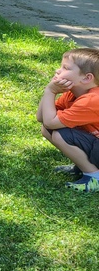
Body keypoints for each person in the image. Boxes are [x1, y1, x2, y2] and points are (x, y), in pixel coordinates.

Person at [37, 48, 99, 193]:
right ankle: (82, 167)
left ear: (86, 78)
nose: (58, 71)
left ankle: (94, 177)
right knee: (47, 130)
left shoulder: (92, 100)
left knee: (60, 134)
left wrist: (50, 91)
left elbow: (51, 121)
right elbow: (42, 118)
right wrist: (49, 92)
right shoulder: (72, 94)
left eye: (65, 68)